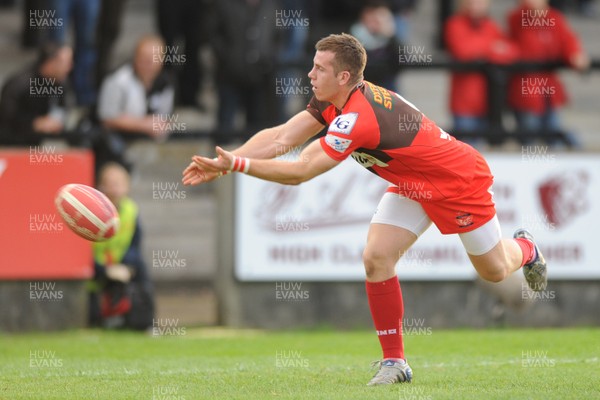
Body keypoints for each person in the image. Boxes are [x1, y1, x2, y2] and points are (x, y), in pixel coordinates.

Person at [182, 33, 548, 386]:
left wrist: (238, 166)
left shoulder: (357, 116)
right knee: (376, 257)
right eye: (312, 65)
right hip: (412, 183)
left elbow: (301, 170)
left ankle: (528, 249)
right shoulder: (334, 100)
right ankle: (395, 362)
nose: (310, 74)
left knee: (495, 270)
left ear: (344, 77)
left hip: (457, 181)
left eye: (319, 69)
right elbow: (281, 137)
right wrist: (225, 159)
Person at [507, 0, 590, 147]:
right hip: (526, 90)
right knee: (529, 141)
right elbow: (527, 49)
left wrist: (575, 54)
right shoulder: (517, 18)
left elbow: (567, 40)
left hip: (548, 91)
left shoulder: (554, 17)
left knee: (554, 137)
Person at [90, 162, 155, 330]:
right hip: (94, 270)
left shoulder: (130, 210)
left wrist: (127, 266)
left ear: (127, 187)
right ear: (100, 186)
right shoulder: (89, 212)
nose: (113, 189)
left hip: (121, 265)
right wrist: (104, 270)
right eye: (109, 184)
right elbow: (79, 252)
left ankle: (145, 324)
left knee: (141, 268)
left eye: (118, 184)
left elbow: (135, 244)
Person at [445, 0, 518, 146]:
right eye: (471, 2)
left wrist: (483, 51)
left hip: (488, 103)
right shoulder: (454, 24)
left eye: (480, 2)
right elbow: (463, 51)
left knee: (488, 154)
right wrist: (492, 48)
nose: (475, 6)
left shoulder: (490, 25)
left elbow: (512, 51)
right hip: (465, 103)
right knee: (465, 152)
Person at [96, 35, 175, 141]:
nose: (149, 64)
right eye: (145, 59)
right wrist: (143, 124)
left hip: (152, 144)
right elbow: (107, 118)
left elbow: (165, 119)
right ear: (136, 57)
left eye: (154, 59)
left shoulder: (166, 84)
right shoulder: (117, 80)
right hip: (117, 142)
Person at [0, 44, 73, 145]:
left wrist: (55, 121)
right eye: (66, 63)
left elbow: (63, 108)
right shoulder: (21, 83)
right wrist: (33, 123)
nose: (69, 67)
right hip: (11, 144)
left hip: (37, 145)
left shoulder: (61, 82)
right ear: (50, 62)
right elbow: (7, 116)